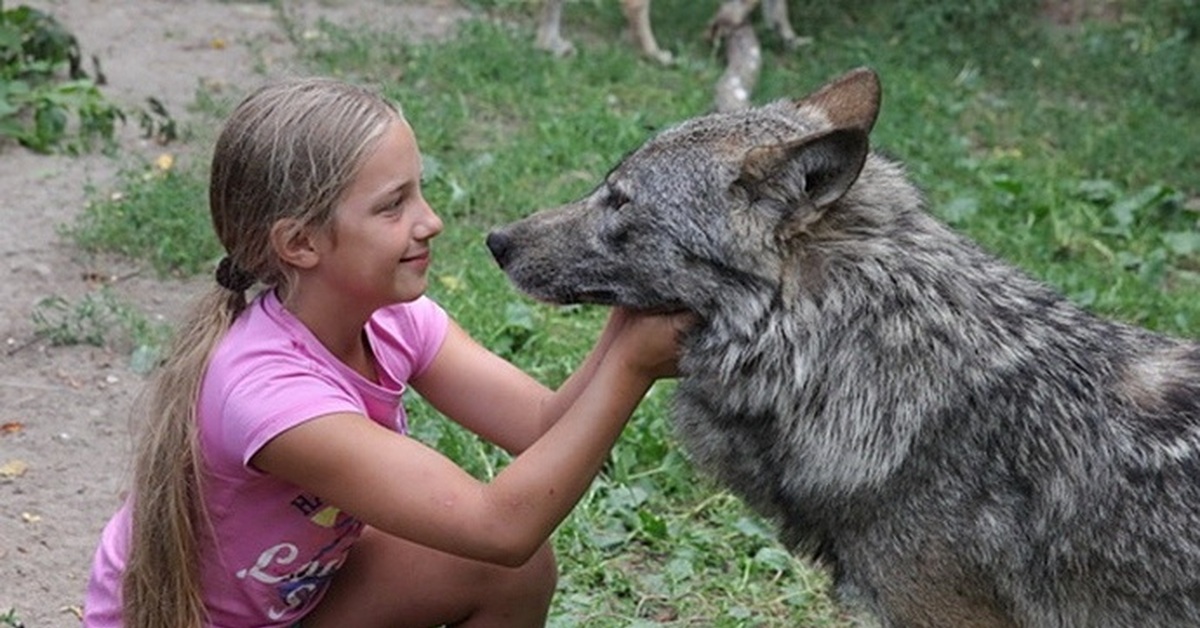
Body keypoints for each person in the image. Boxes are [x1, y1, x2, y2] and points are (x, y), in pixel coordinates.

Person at [83, 77, 690, 628]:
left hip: (298, 604)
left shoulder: (393, 320)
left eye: (419, 193)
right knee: (505, 553)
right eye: (393, 205)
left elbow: (541, 425)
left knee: (511, 573)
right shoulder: (265, 392)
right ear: (300, 243)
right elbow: (501, 526)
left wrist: (627, 313)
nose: (431, 221)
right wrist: (632, 365)